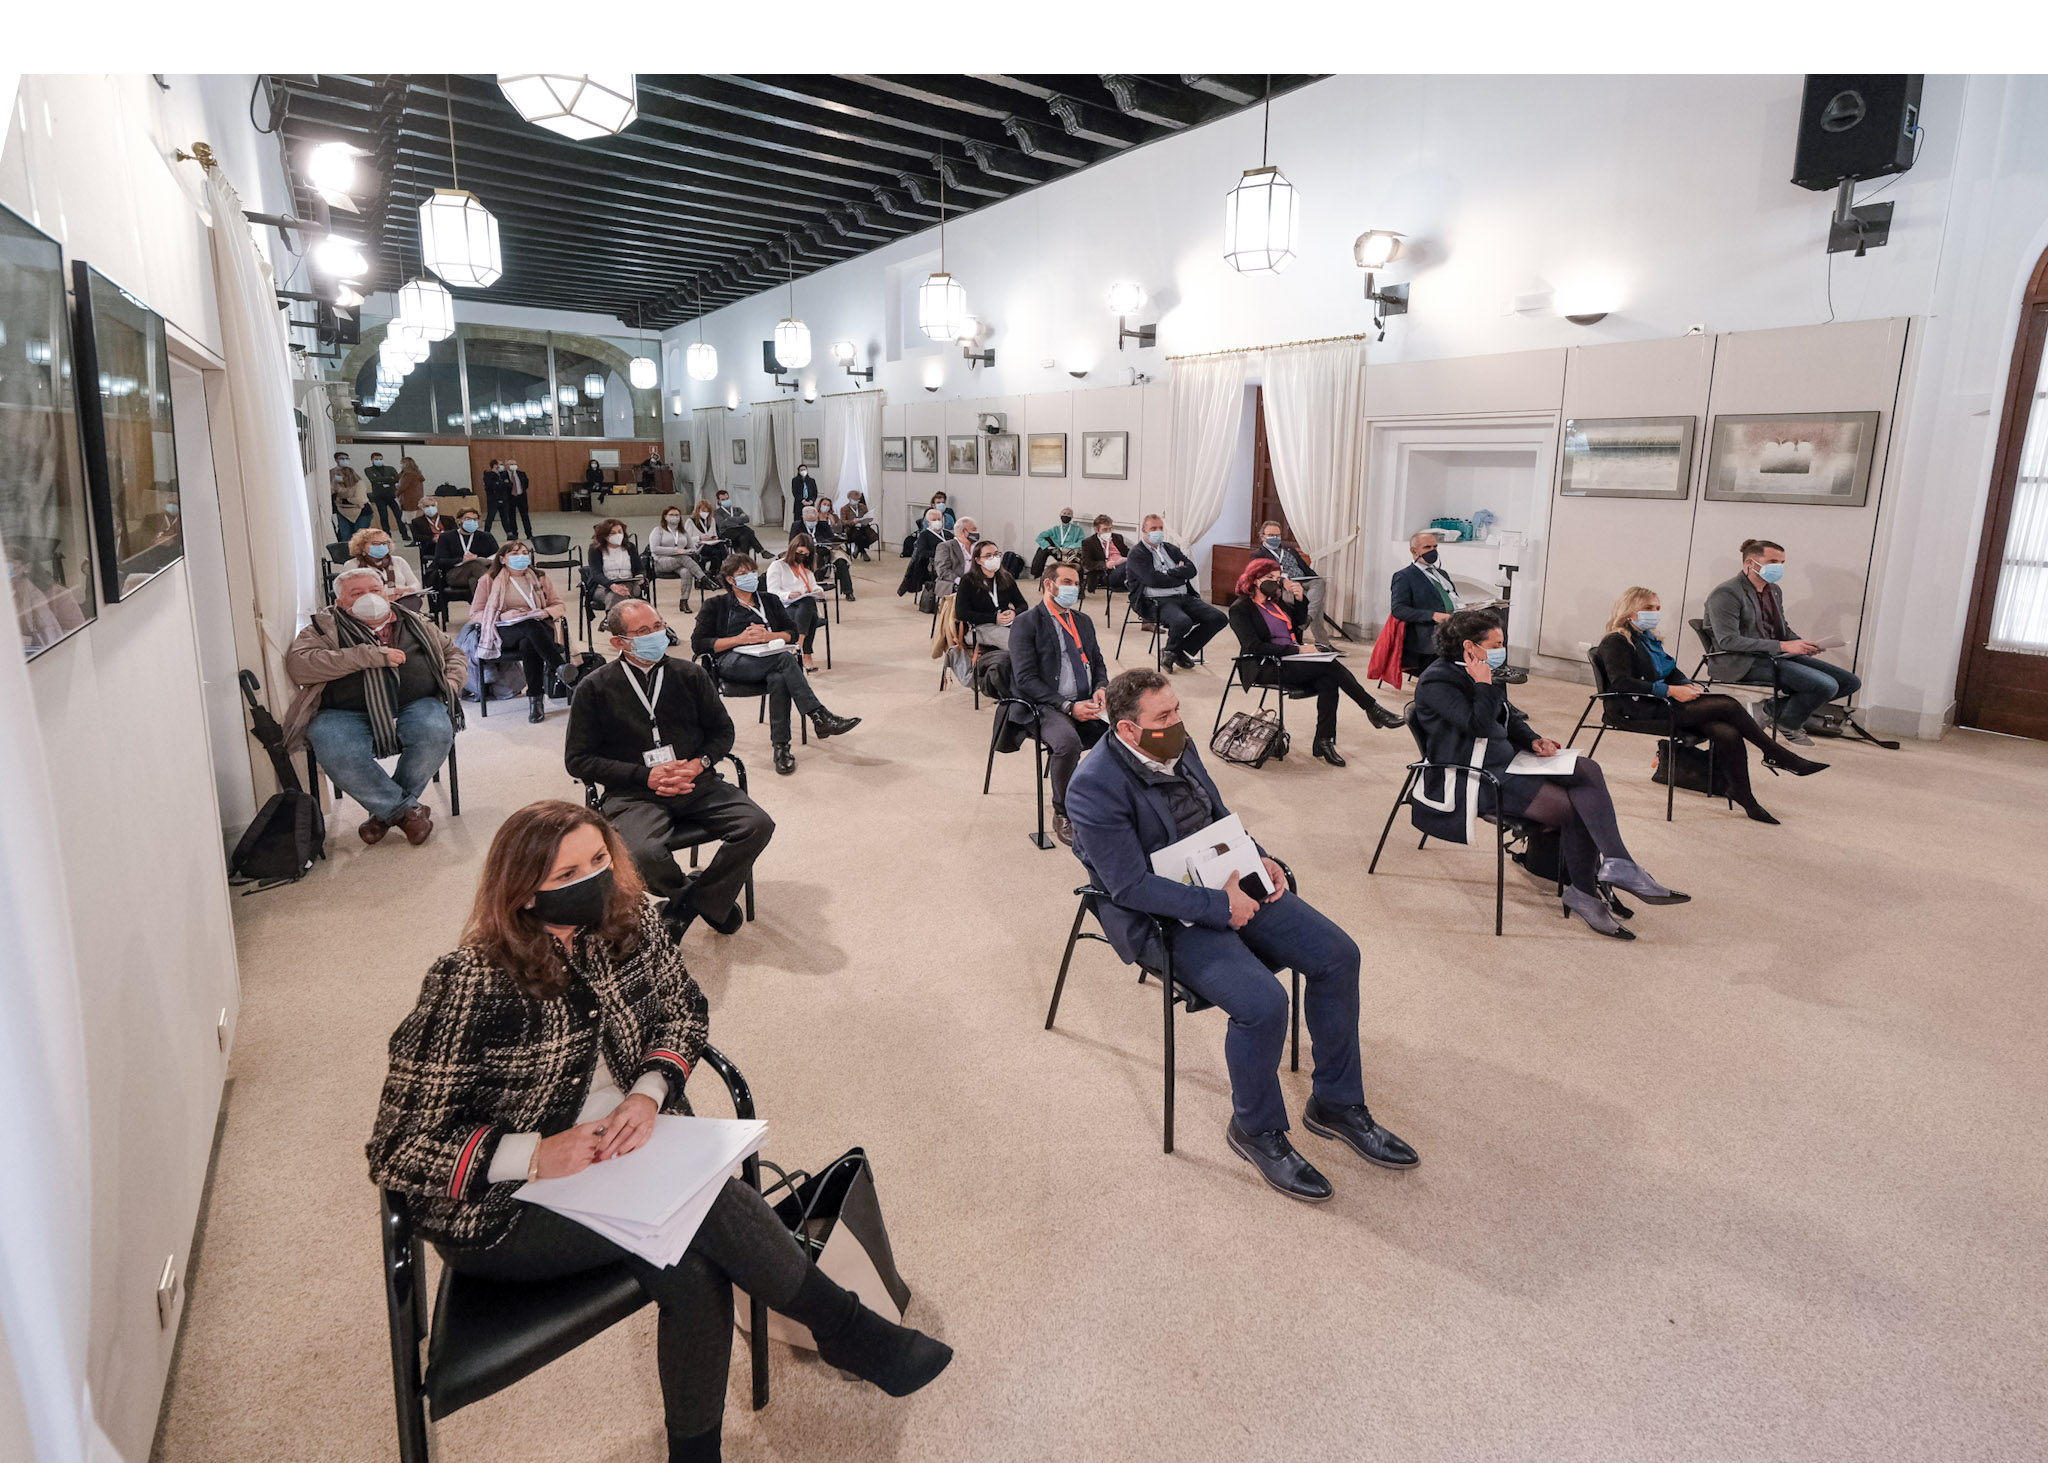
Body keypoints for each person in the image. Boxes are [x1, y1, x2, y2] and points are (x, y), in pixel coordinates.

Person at [365, 803, 951, 1463]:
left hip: (630, 1157)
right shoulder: (471, 981)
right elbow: (396, 1147)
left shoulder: (630, 918)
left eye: (598, 860)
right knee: (715, 1202)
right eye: (569, 871)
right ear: (525, 889)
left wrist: (646, 1096)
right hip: (505, 1206)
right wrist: (534, 1154)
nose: (595, 878)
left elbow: (683, 1011)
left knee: (697, 1273)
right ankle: (845, 1328)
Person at [1065, 669, 1419, 1202]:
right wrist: (1218, 906)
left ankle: (1336, 1103)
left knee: (1339, 956)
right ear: (1127, 729)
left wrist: (1259, 856)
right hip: (1163, 912)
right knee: (1262, 1003)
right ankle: (1254, 1129)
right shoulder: (1093, 784)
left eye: (1177, 709)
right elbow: (1130, 886)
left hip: (1222, 879)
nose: (1177, 723)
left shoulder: (1178, 746)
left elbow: (1216, 816)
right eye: (1163, 717)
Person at [1411, 609, 1688, 939]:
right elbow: (1480, 726)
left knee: (1588, 768)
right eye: (1497, 643)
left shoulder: (1486, 669)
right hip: (1473, 776)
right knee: (1573, 808)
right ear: (1470, 647)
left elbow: (1508, 717)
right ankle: (1587, 891)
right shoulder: (1438, 680)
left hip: (1507, 760)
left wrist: (1533, 739)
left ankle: (1617, 864)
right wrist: (1484, 683)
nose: (1503, 649)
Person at [566, 601, 774, 938]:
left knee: (757, 825)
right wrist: (645, 775)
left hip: (696, 781)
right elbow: (577, 759)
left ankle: (689, 906)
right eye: (644, 632)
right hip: (633, 792)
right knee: (640, 854)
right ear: (619, 642)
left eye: (659, 626)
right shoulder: (595, 687)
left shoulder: (691, 674)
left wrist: (699, 763)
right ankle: (693, 895)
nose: (656, 635)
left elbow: (723, 732)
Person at [1594, 587, 1828, 824]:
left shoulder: (1648, 638)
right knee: (1728, 705)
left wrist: (1687, 684)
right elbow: (1621, 683)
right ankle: (1776, 754)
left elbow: (1671, 671)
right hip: (1635, 709)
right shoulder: (1616, 641)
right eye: (1647, 608)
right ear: (1629, 611)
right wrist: (1671, 690)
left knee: (1725, 730)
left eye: (1657, 608)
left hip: (1662, 701)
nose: (1654, 613)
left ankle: (1744, 795)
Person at [285, 566, 466, 847]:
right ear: (339, 602)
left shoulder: (415, 620)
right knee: (333, 746)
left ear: (386, 592)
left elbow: (453, 652)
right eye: (356, 593)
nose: (368, 597)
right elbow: (301, 666)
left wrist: (452, 683)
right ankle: (405, 811)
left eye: (374, 590)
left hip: (415, 701)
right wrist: (368, 656)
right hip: (344, 711)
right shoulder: (322, 628)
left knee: (436, 731)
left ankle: (386, 814)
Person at [691, 555, 859, 775]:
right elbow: (699, 643)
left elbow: (791, 633)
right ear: (730, 580)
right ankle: (819, 716)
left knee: (780, 677)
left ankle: (782, 749)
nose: (750, 577)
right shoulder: (716, 605)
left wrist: (768, 636)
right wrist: (740, 639)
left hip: (768, 657)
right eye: (743, 574)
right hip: (730, 660)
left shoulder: (769, 600)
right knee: (784, 660)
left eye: (752, 571)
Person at [1227, 561, 1403, 767]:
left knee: (1328, 679)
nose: (1275, 584)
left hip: (1292, 660)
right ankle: (1372, 709)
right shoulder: (1241, 608)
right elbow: (1253, 646)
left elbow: (1300, 623)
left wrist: (1301, 598)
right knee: (1329, 668)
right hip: (1264, 665)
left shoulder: (1275, 602)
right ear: (1255, 580)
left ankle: (1324, 740)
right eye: (1270, 579)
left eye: (1278, 579)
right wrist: (1298, 650)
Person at [1704, 538, 1864, 748]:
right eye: (1772, 561)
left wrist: (1800, 643)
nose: (1778, 567)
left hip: (1774, 654)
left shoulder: (1774, 590)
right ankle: (1789, 722)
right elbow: (1728, 641)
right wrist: (1783, 646)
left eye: (1782, 562)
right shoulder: (1726, 593)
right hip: (1740, 660)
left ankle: (1770, 710)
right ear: (1750, 563)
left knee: (1849, 682)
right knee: (1824, 685)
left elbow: (1781, 630)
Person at [1008, 562, 1109, 846]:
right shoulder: (1026, 622)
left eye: (1076, 583)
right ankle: (1063, 811)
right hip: (1043, 704)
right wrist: (1067, 706)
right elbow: (1025, 679)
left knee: (1126, 730)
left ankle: (1099, 798)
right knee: (1067, 743)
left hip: (1086, 699)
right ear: (1048, 584)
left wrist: (1101, 688)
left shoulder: (1083, 621)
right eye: (1067, 582)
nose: (1073, 589)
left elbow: (1098, 663)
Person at [472, 540, 568, 723]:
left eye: (524, 553)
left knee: (529, 640)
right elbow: (475, 613)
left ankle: (536, 700)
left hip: (540, 629)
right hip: (504, 632)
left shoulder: (539, 577)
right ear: (502, 559)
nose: (521, 557)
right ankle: (558, 666)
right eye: (515, 554)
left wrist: (545, 612)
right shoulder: (489, 580)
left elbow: (559, 605)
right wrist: (502, 617)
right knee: (529, 626)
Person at [1127, 514, 1227, 670]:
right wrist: (1178, 573)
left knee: (1219, 618)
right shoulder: (1136, 553)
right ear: (1144, 530)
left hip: (1183, 595)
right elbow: (1152, 579)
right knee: (1182, 622)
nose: (1158, 531)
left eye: (1160, 528)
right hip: (1155, 600)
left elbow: (1191, 570)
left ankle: (1173, 651)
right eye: (1153, 528)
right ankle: (1175, 652)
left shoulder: (1171, 548)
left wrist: (1168, 574)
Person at [955, 538, 1027, 696]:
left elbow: (1023, 605)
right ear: (978, 560)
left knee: (1034, 636)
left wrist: (1014, 613)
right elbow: (961, 613)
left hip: (1006, 623)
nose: (994, 558)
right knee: (1017, 643)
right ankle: (1018, 686)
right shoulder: (968, 581)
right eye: (988, 555)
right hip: (978, 626)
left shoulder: (1006, 578)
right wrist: (993, 619)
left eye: (996, 554)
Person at [1247, 521, 1333, 652]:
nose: (1275, 538)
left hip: (1303, 580)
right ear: (1262, 536)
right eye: (1271, 535)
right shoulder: (1258, 555)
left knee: (1319, 582)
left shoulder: (1289, 550)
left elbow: (1305, 569)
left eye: (1277, 535)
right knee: (1317, 604)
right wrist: (1282, 580)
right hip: (1283, 584)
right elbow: (1263, 577)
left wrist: (1312, 577)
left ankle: (1307, 618)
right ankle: (1322, 642)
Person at [1389, 532, 1460, 679]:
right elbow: (1398, 609)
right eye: (1427, 547)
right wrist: (1433, 616)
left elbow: (1453, 598)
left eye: (1435, 546)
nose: (1433, 551)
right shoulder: (1404, 576)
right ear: (1414, 551)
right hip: (1428, 631)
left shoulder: (1442, 574)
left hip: (1453, 625)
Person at [765, 532, 831, 671]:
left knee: (808, 605)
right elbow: (772, 592)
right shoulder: (777, 566)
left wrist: (817, 590)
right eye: (800, 552)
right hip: (784, 606)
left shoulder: (806, 570)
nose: (802, 556)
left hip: (804, 606)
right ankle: (805, 654)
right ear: (793, 549)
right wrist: (789, 595)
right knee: (809, 610)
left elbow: (814, 586)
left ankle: (798, 647)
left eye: (806, 554)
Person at [347, 526, 425, 613]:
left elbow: (416, 585)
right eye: (375, 544)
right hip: (370, 603)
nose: (381, 546)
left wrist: (405, 591)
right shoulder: (352, 565)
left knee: (412, 601)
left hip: (401, 600)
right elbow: (356, 591)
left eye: (384, 543)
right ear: (361, 546)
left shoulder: (398, 561)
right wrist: (392, 591)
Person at [432, 507, 499, 599]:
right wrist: (462, 560)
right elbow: (439, 561)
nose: (472, 522)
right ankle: (497, 590)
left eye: (475, 519)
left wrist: (479, 558)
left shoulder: (486, 537)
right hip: (455, 574)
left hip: (479, 573)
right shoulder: (447, 537)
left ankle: (481, 611)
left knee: (474, 581)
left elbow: (497, 556)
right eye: (468, 519)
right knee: (474, 564)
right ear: (459, 521)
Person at [586, 518, 646, 618]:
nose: (617, 535)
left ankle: (610, 620)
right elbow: (596, 573)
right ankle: (619, 621)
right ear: (605, 535)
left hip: (630, 584)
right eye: (612, 533)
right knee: (617, 594)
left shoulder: (630, 547)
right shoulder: (595, 550)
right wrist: (612, 585)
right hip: (604, 586)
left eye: (619, 532)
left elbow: (640, 568)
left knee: (620, 591)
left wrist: (641, 576)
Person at [800, 506, 856, 599]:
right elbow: (793, 542)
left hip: (827, 549)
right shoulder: (797, 526)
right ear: (804, 519)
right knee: (817, 561)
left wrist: (824, 541)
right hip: (807, 552)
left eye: (814, 520)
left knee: (841, 562)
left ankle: (848, 592)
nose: (812, 523)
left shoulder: (823, 525)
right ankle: (817, 591)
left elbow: (832, 539)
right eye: (809, 520)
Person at [897, 506, 947, 599]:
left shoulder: (948, 534)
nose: (937, 521)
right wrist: (938, 553)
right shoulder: (924, 535)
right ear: (928, 522)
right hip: (931, 565)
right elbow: (922, 552)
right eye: (934, 519)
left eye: (939, 519)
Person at [1078, 514, 1129, 595]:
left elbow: (1127, 552)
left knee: (1137, 561)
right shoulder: (1088, 543)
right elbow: (1086, 563)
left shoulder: (1117, 538)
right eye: (1105, 529)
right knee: (1128, 565)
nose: (1108, 532)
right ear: (1096, 530)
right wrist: (1105, 564)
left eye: (1110, 529)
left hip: (1123, 565)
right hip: (1106, 573)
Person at [1030, 508, 1087, 578]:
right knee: (1042, 549)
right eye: (1064, 513)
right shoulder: (1055, 529)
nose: (1066, 515)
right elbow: (1040, 537)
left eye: (1068, 514)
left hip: (1070, 552)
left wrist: (1070, 548)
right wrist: (1048, 546)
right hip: (1058, 552)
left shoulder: (1077, 529)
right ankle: (1036, 574)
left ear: (1072, 517)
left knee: (1078, 554)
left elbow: (1083, 541)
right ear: (1060, 515)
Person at [931, 517, 978, 601]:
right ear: (964, 531)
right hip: (953, 582)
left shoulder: (978, 547)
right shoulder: (945, 547)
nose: (977, 533)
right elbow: (943, 571)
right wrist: (961, 581)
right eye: (974, 529)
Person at [330, 450, 372, 542]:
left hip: (361, 511)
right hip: (343, 510)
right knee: (345, 535)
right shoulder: (333, 476)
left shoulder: (358, 483)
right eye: (341, 458)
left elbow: (359, 499)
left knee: (359, 537)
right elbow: (334, 492)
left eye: (346, 458)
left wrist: (345, 499)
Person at [713, 490, 766, 556]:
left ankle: (743, 559)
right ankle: (760, 550)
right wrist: (739, 519)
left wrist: (730, 519)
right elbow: (721, 524)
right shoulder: (717, 512)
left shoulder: (737, 509)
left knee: (744, 537)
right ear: (718, 501)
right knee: (747, 530)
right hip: (726, 533)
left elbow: (746, 519)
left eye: (727, 499)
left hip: (740, 532)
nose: (726, 501)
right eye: (723, 500)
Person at [364, 450, 403, 533]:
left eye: (380, 459)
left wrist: (382, 481)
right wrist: (389, 479)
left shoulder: (390, 468)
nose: (379, 461)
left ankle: (404, 534)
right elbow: (374, 480)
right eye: (376, 459)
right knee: (383, 516)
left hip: (391, 495)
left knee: (399, 515)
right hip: (379, 496)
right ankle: (387, 534)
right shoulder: (368, 470)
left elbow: (396, 479)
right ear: (372, 460)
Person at [500, 456, 536, 539]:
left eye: (515, 464)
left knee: (525, 516)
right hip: (510, 498)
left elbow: (526, 484)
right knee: (511, 516)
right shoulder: (503, 475)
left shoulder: (521, 474)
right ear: (507, 465)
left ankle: (529, 534)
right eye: (511, 464)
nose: (513, 466)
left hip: (521, 497)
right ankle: (514, 534)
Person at [479, 459, 510, 536]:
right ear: (495, 465)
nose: (502, 466)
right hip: (493, 499)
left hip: (503, 498)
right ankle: (486, 533)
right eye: (501, 464)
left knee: (505, 517)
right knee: (490, 517)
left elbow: (509, 485)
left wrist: (502, 484)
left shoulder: (503, 475)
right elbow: (492, 486)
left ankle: (509, 533)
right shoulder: (488, 475)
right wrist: (502, 484)